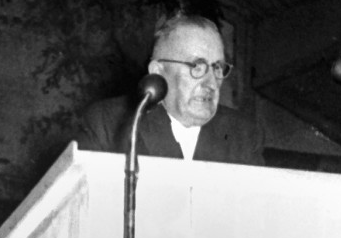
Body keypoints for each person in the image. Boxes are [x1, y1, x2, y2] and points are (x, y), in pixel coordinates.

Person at [79, 11, 263, 165]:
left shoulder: (243, 136)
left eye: (217, 67)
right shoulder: (109, 125)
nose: (211, 83)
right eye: (196, 66)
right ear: (158, 72)